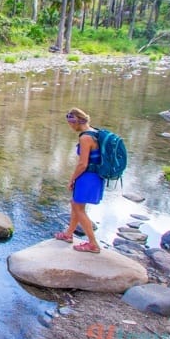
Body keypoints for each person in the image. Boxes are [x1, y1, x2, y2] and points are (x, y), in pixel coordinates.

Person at [55, 107, 104, 253]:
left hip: (88, 176)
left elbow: (83, 164)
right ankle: (69, 234)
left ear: (75, 122)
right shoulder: (95, 132)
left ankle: (93, 243)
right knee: (75, 204)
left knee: (78, 208)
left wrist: (72, 179)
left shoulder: (85, 138)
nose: (71, 127)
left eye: (71, 123)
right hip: (96, 175)